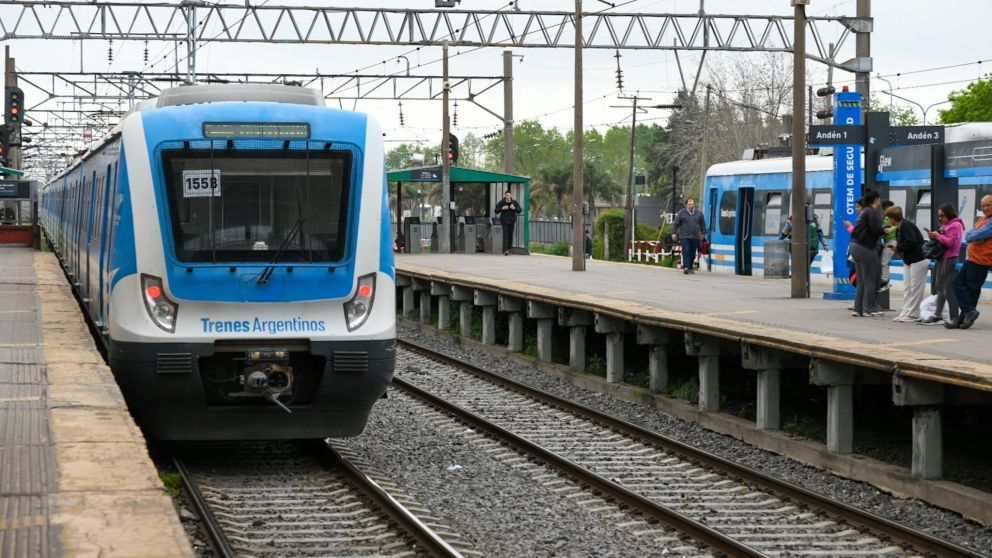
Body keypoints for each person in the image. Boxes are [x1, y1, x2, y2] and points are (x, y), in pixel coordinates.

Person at [950, 195, 992, 329]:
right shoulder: (983, 219)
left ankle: (964, 318)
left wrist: (975, 237)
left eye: (988, 205)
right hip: (972, 258)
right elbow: (969, 235)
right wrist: (975, 237)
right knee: (958, 284)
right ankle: (967, 314)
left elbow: (977, 235)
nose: (985, 208)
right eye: (983, 205)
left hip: (982, 260)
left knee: (971, 290)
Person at [922, 203, 964, 326]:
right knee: (937, 285)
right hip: (941, 258)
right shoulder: (947, 225)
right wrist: (934, 236)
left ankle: (939, 314)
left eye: (942, 215)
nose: (940, 218)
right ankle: (940, 313)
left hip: (948, 258)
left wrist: (938, 236)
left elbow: (951, 243)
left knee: (941, 286)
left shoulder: (955, 225)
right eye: (939, 216)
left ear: (949, 214)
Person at [887, 206, 927, 322]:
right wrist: (898, 248)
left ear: (893, 219)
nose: (888, 221)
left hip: (918, 259)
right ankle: (906, 311)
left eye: (888, 218)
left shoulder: (906, 226)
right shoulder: (899, 228)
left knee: (916, 289)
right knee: (908, 288)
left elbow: (912, 241)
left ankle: (913, 314)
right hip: (909, 260)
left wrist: (898, 247)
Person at [850, 190, 884, 317]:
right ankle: (868, 308)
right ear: (876, 200)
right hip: (865, 248)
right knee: (870, 279)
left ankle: (858, 309)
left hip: (855, 246)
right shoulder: (872, 212)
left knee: (861, 281)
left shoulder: (864, 211)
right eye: (879, 199)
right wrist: (885, 230)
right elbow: (875, 230)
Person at [671, 198, 706, 274]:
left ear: (694, 205)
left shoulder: (699, 213)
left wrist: (703, 233)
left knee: (693, 253)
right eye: (689, 204)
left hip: (695, 236)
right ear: (686, 205)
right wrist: (674, 233)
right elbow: (675, 223)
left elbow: (702, 224)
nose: (691, 206)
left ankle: (690, 267)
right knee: (686, 251)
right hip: (684, 236)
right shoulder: (681, 213)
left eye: (692, 204)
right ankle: (686, 267)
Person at [494, 190, 522, 256]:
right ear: (505, 195)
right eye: (507, 195)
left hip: (512, 220)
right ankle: (505, 250)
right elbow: (496, 210)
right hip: (504, 221)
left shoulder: (514, 202)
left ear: (511, 195)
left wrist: (514, 208)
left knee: (510, 235)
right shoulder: (501, 202)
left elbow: (519, 210)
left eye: (509, 195)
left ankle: (509, 249)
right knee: (505, 234)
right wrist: (502, 208)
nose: (508, 196)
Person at [878, 200, 898, 292]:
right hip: (888, 242)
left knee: (884, 261)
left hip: (891, 242)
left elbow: (886, 228)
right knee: (884, 261)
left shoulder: (888, 218)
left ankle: (885, 280)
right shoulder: (889, 218)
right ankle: (885, 279)